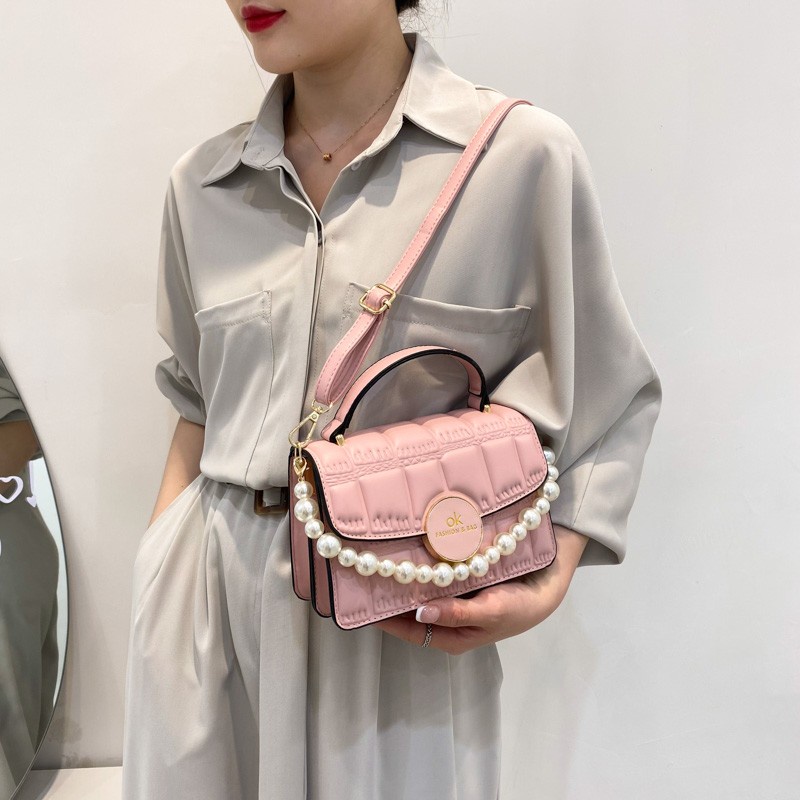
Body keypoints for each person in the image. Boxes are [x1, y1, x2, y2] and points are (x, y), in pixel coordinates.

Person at [121, 1, 663, 798]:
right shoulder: (201, 186)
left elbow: (610, 397)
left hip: (397, 625)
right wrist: (155, 579)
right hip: (203, 617)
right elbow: (196, 406)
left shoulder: (518, 159)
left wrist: (550, 581)